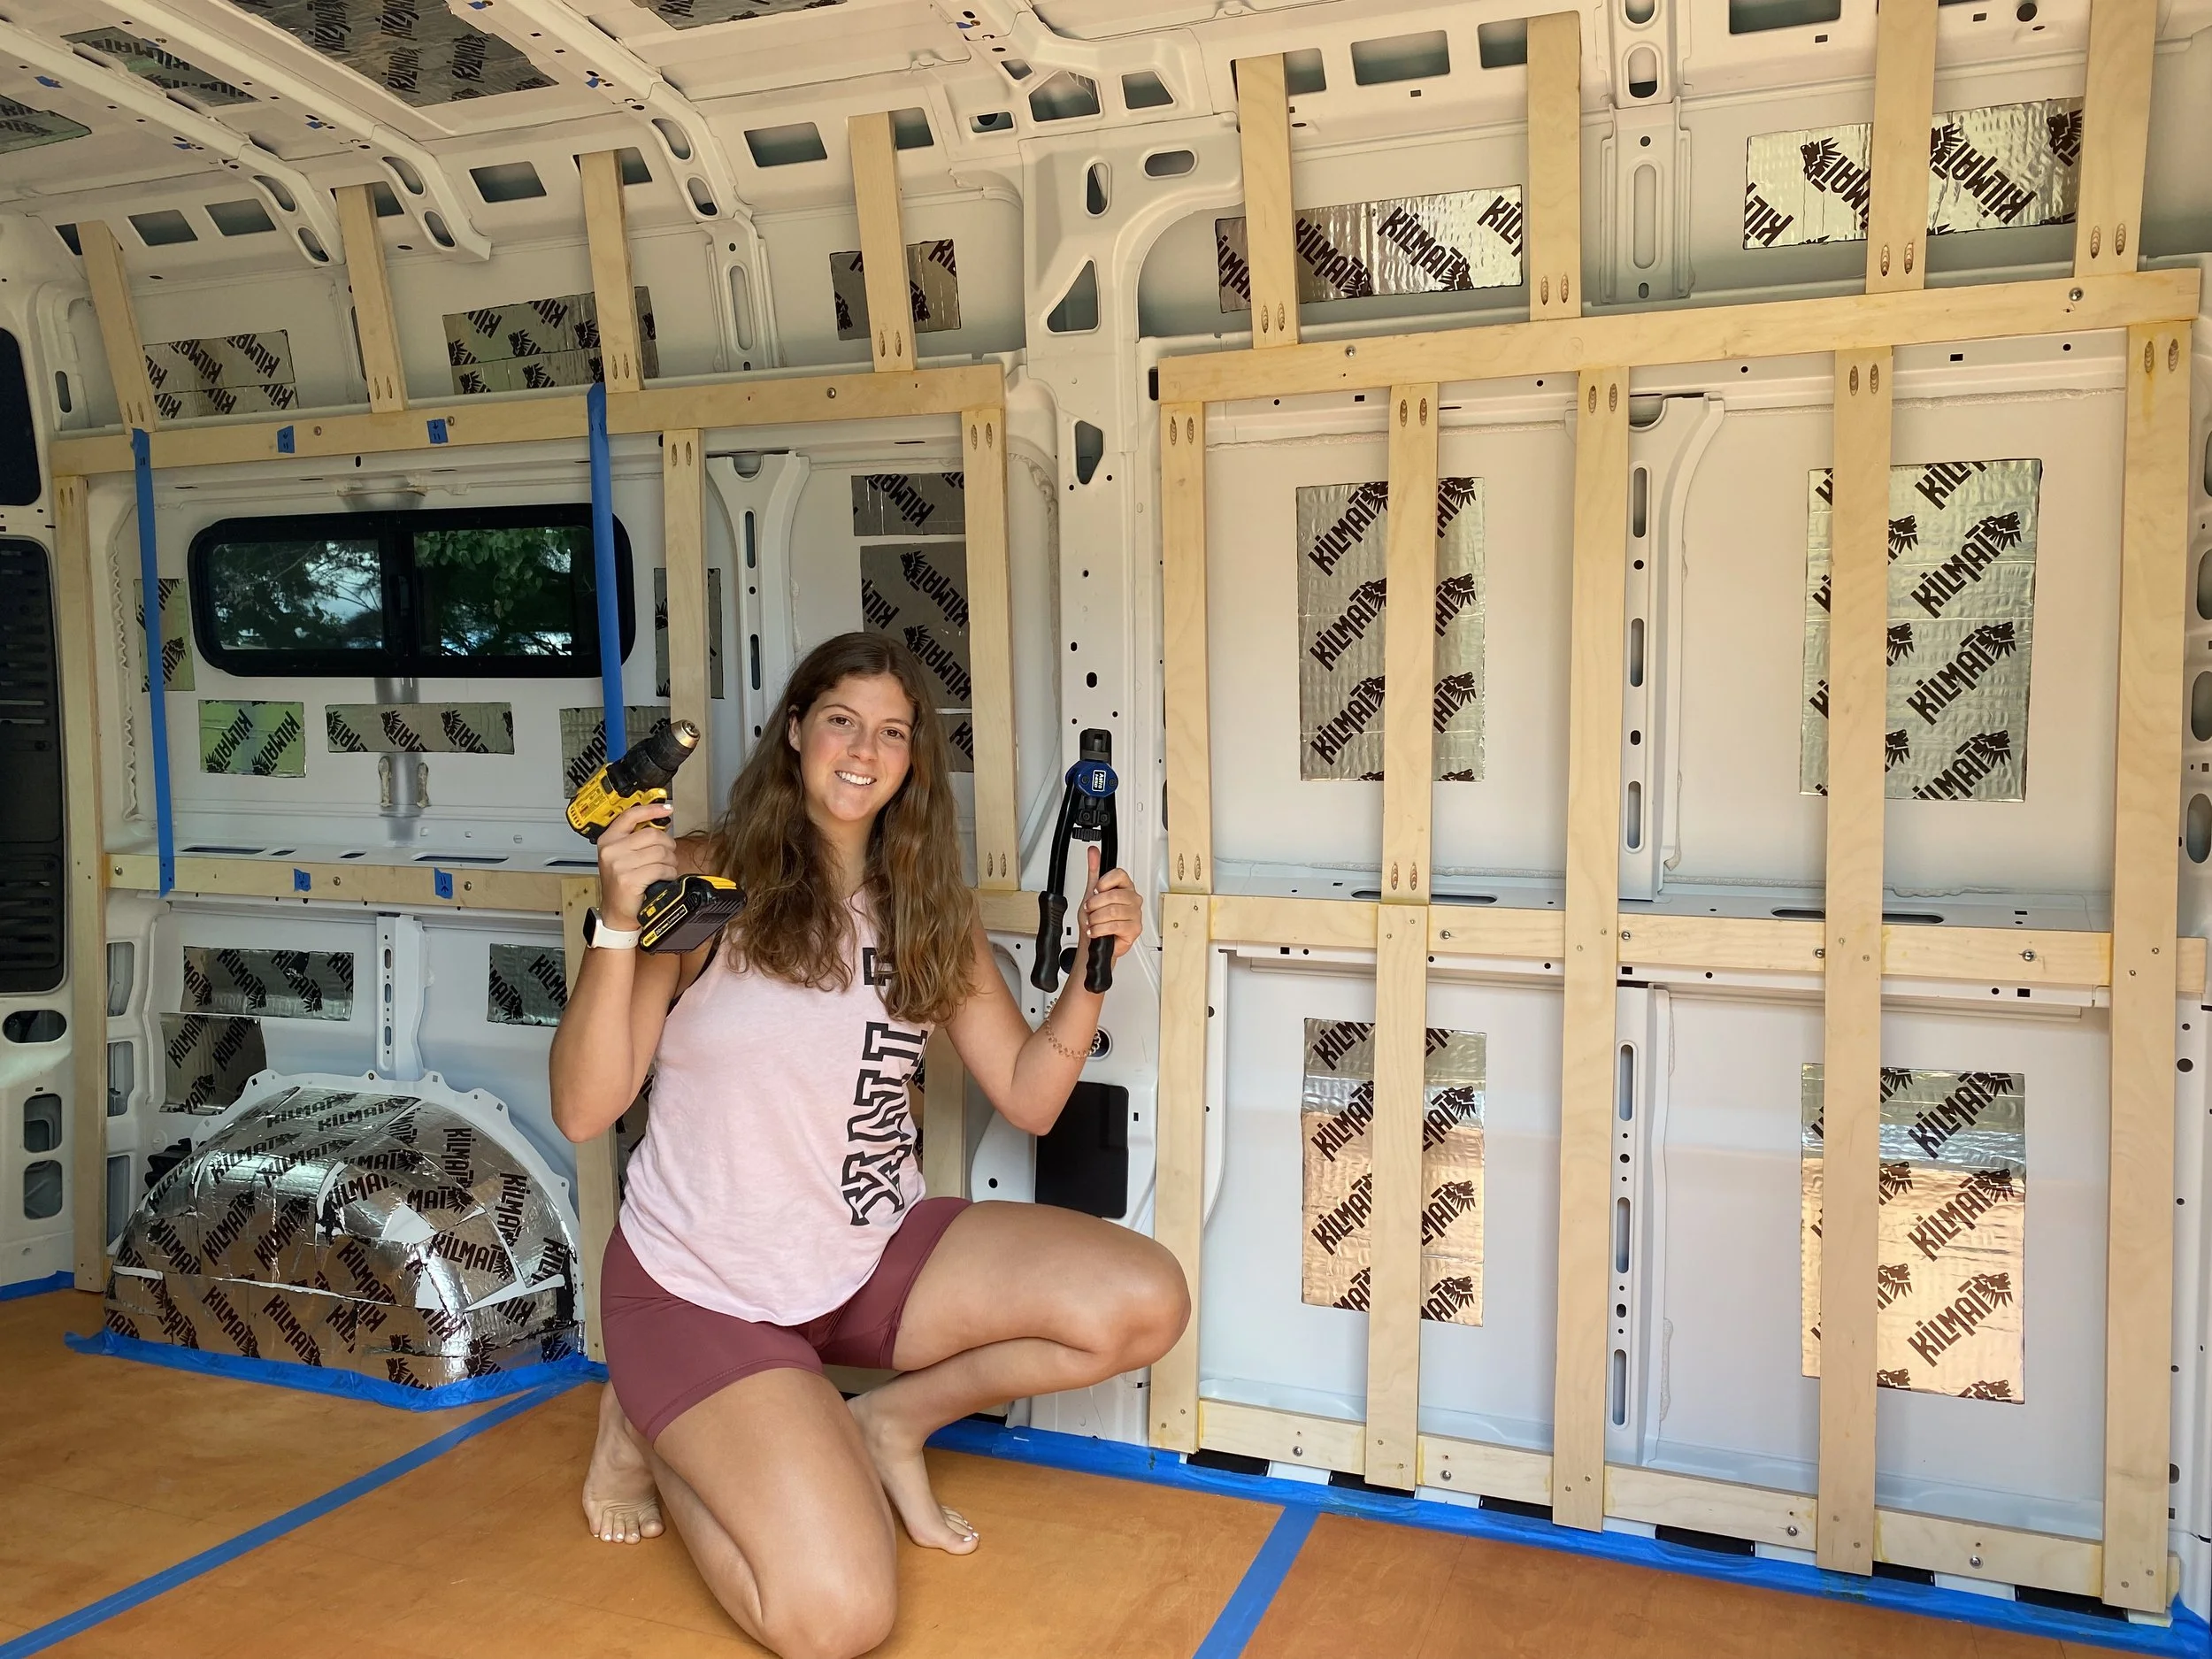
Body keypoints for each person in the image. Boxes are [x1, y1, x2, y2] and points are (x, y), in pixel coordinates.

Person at [549, 631, 1189, 1659]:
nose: (863, 750)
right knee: (839, 1621)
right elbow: (587, 1108)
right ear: (796, 730)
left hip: (862, 1260)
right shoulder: (704, 881)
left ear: (912, 762)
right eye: (841, 721)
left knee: (1144, 1300)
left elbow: (1029, 1097)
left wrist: (1095, 975)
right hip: (702, 1288)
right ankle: (650, 1428)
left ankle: (886, 1422)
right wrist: (618, 923)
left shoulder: (928, 914)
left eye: (892, 733)